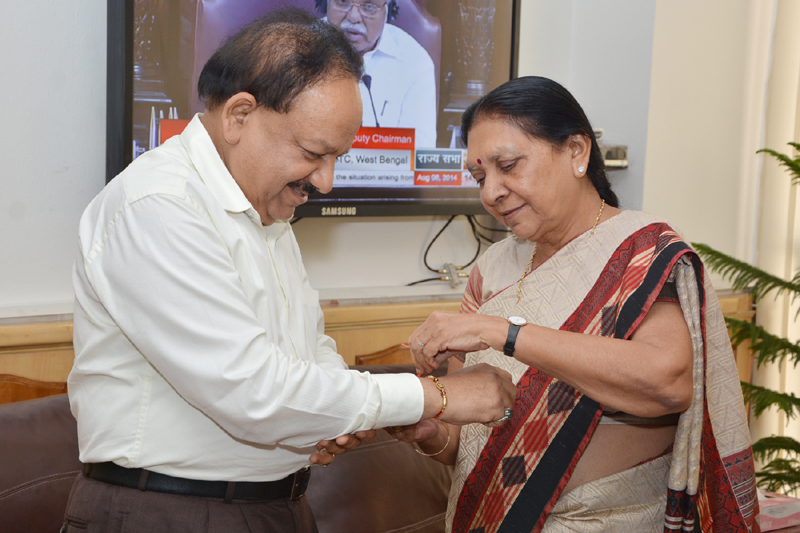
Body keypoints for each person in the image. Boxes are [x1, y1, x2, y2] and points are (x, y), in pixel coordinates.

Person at [63, 9, 517, 532]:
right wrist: (437, 395)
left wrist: (326, 419)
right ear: (239, 115)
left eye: (337, 158)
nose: (325, 182)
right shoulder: (158, 206)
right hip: (171, 511)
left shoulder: (267, 212)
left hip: (275, 506)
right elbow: (253, 391)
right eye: (312, 153)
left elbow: (308, 348)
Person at [392, 76, 759, 532]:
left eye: (509, 165)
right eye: (480, 176)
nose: (490, 193)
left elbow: (668, 381)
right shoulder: (492, 270)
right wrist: (431, 433)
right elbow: (466, 441)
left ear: (577, 152)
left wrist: (502, 333)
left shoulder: (640, 252)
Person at [317, 0, 437, 147]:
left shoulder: (415, 62)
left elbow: (419, 151)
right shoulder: (298, 50)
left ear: (388, 11)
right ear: (324, 3)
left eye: (369, 7)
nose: (354, 17)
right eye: (342, 2)